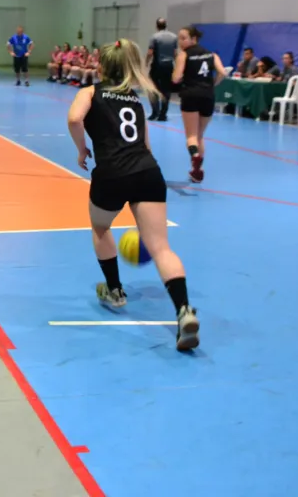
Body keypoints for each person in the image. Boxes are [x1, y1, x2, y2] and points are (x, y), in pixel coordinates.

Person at [65, 38, 200, 352]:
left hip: (111, 174)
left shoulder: (90, 91)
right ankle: (184, 311)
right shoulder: (135, 101)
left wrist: (82, 148)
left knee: (101, 227)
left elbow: (74, 118)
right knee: (161, 248)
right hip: (147, 172)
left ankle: (115, 290)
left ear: (102, 67)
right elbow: (147, 146)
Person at [173, 26, 227, 184]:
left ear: (193, 38)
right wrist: (213, 84)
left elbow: (176, 78)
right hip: (208, 96)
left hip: (190, 95)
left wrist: (176, 74)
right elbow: (223, 73)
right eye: (179, 38)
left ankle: (194, 156)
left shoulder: (184, 55)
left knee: (191, 136)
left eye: (183, 38)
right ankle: (197, 171)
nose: (181, 42)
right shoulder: (212, 54)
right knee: (200, 135)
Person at [146, 18, 177, 122]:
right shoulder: (174, 37)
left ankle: (155, 112)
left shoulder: (155, 37)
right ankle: (163, 114)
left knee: (152, 88)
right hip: (169, 66)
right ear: (166, 25)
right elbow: (175, 53)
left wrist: (146, 63)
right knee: (166, 90)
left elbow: (150, 52)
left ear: (157, 26)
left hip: (157, 66)